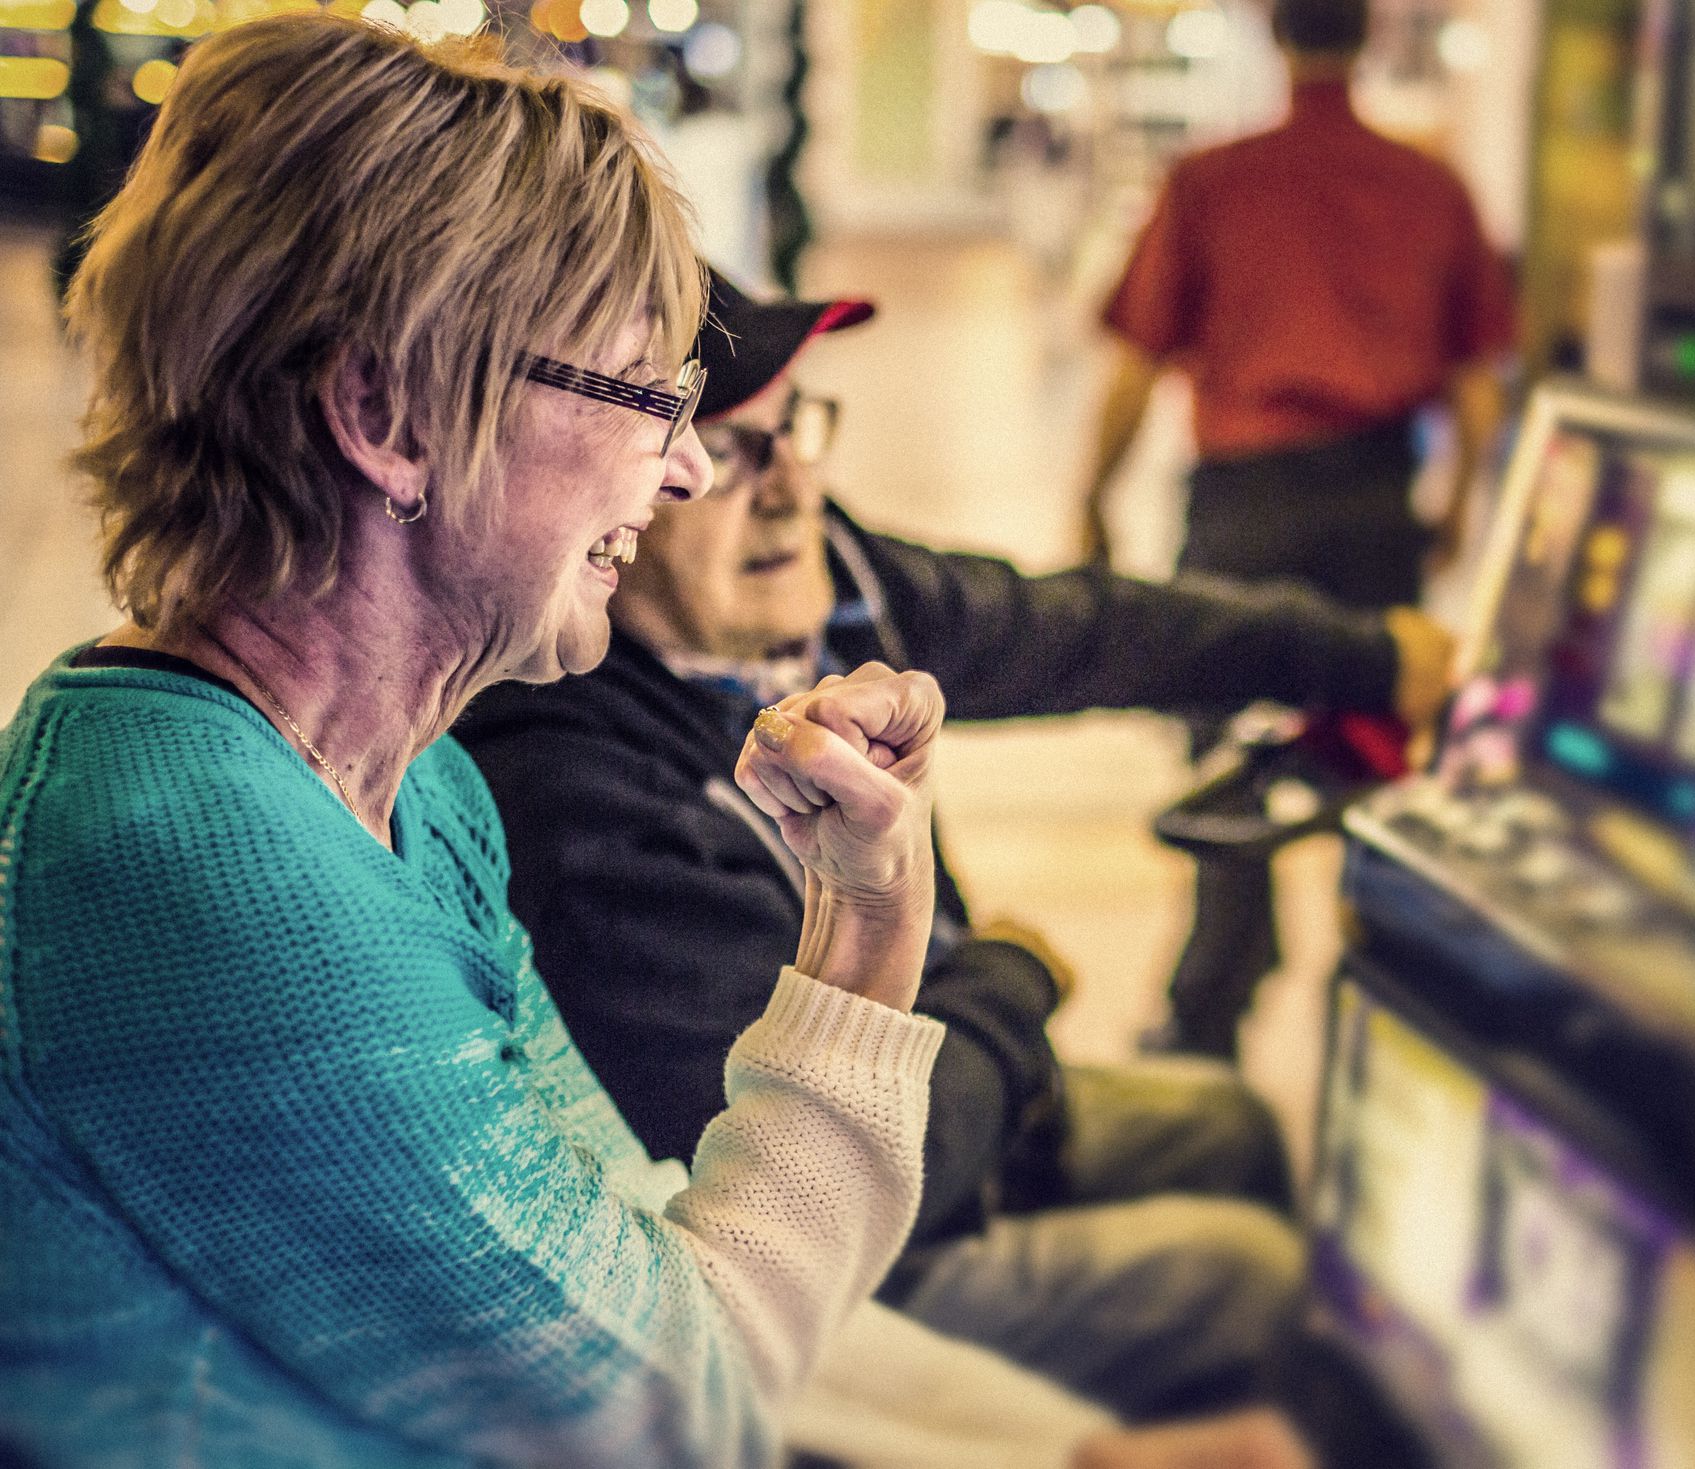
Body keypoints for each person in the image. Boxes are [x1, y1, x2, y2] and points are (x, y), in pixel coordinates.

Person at [0, 17, 1305, 1468]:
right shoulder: (201, 872)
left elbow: (641, 1250)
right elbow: (671, 1405)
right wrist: (870, 934)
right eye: (644, 395)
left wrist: (1054, 1453)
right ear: (385, 413)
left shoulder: (418, 789)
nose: (684, 466)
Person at [456, 270, 1456, 1422]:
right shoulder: (575, 792)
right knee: (1248, 1277)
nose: (789, 491)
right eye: (725, 452)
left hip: (945, 1080)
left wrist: (1361, 658)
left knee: (1231, 1125)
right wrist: (1008, 985)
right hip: (841, 1256)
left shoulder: (829, 586)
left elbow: (1078, 628)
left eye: (796, 431)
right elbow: (847, 1179)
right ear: (619, 503)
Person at [1079, 0, 1514, 1059]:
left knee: (1233, 762)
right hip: (1373, 506)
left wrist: (1091, 493)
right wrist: (1455, 508)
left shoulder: (1211, 180)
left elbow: (1137, 362)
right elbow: (1477, 386)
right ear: (1371, 38)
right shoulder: (1431, 185)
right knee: (1378, 756)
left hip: (1245, 511)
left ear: (1274, 37)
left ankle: (1209, 1018)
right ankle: (1388, 1005)